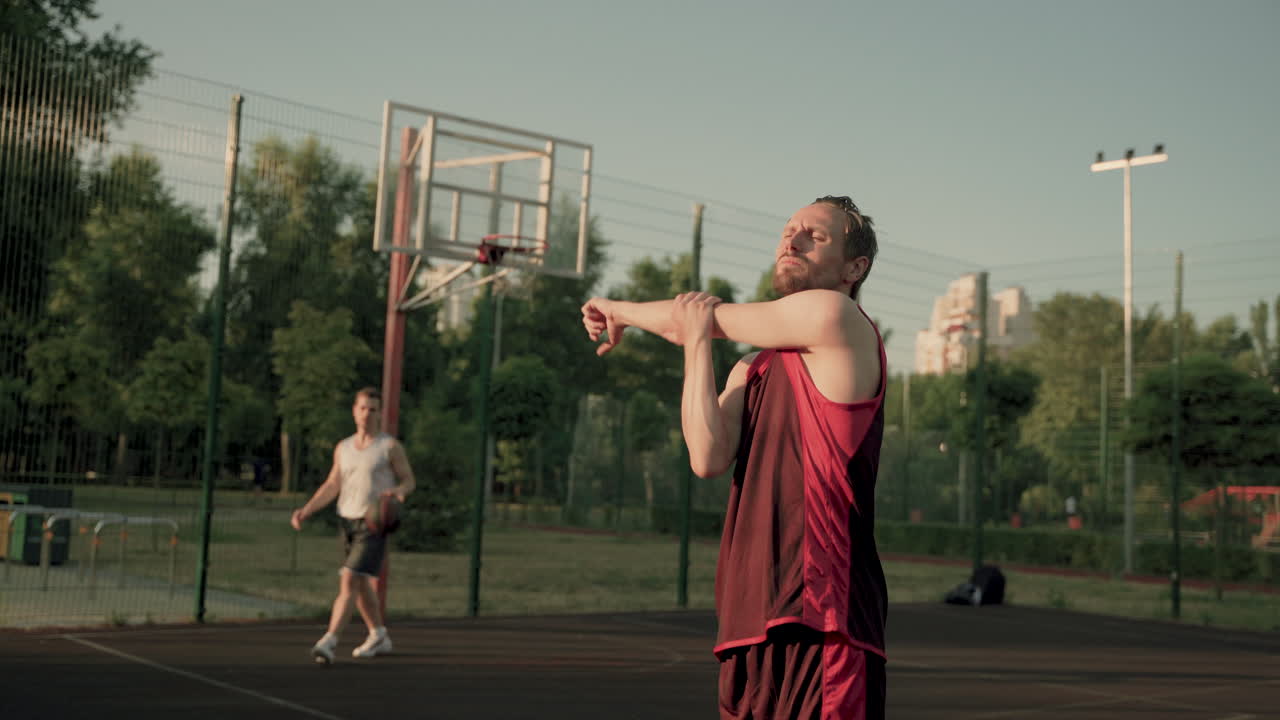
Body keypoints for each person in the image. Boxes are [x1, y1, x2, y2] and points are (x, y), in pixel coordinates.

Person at [581, 196, 887, 719]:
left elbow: (702, 318)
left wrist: (621, 311)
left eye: (815, 234)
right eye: (788, 230)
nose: (792, 240)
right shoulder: (751, 367)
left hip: (823, 617)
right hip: (749, 618)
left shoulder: (839, 318)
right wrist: (696, 346)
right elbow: (706, 454)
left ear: (854, 268)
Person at [290, 387, 416, 664]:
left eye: (373, 409)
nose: (367, 414)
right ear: (354, 411)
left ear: (380, 413)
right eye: (363, 408)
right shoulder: (343, 448)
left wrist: (398, 492)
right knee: (359, 584)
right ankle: (378, 634)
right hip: (346, 520)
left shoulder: (389, 447)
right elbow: (332, 484)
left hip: (373, 523)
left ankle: (329, 641)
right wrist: (306, 510)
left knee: (349, 579)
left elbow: (408, 480)